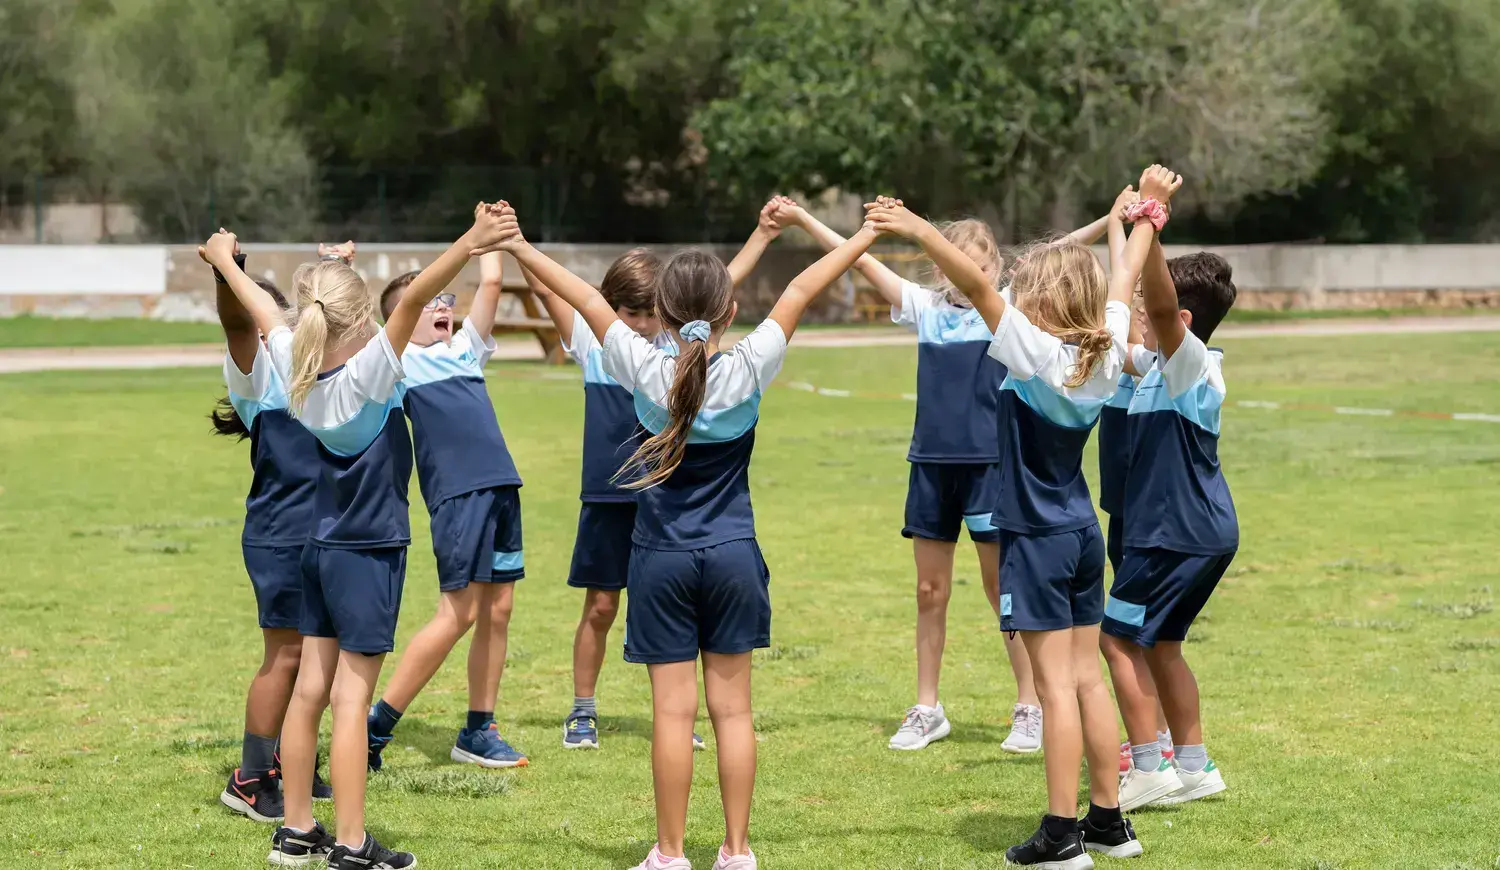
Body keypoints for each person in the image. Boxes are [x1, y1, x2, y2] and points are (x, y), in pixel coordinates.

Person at [494, 206, 879, 870]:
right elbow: (801, 288)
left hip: (662, 561)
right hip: (734, 557)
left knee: (672, 717)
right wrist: (870, 233)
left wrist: (520, 245)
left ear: (663, 314)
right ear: (729, 312)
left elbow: (585, 297)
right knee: (734, 715)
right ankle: (737, 851)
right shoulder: (749, 366)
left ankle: (670, 854)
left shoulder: (643, 369)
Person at [865, 166, 1180, 866]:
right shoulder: (1104, 351)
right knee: (1087, 679)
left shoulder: (1031, 352)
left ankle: (1062, 833)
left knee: (1057, 687)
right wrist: (1150, 213)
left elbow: (977, 288)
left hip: (1035, 540)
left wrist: (917, 230)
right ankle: (1109, 822)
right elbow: (1124, 276)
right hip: (1080, 533)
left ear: (1043, 301)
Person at [202, 203, 516, 869]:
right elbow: (419, 295)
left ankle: (295, 831)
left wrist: (225, 260)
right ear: (358, 321)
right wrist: (473, 239)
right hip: (367, 554)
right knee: (351, 700)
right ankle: (350, 844)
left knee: (310, 693)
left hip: (317, 548)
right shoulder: (369, 374)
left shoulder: (292, 362)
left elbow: (264, 312)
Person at [769, 196, 1042, 753]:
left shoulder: (1005, 307)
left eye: (979, 265)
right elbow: (856, 258)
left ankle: (1030, 705)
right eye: (955, 263)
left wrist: (1117, 224)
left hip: (990, 468)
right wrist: (802, 219)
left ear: (995, 269)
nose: (966, 274)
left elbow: (1063, 252)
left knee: (1002, 590)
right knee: (928, 591)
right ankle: (927, 709)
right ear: (937, 267)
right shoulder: (925, 307)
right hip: (931, 469)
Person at [523, 197, 787, 751]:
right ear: (610, 308)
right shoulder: (598, 344)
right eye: (629, 312)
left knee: (675, 603)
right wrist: (516, 248)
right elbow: (556, 291)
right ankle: (583, 709)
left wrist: (761, 237)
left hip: (665, 507)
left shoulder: (672, 351)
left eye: (649, 312)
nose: (641, 324)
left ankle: (676, 714)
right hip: (609, 494)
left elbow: (716, 287)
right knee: (600, 606)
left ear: (664, 312)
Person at [366, 243, 529, 771]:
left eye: (445, 299)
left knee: (498, 611)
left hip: (502, 488)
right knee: (458, 613)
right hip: (459, 496)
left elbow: (491, 284)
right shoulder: (398, 364)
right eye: (426, 301)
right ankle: (375, 725)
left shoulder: (464, 350)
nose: (441, 306)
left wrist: (496, 237)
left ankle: (479, 730)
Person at [1104, 233, 1239, 812]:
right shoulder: (1159, 366)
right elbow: (1117, 341)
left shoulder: (1189, 365)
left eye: (1150, 305)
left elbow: (1158, 310)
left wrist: (1153, 226)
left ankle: (1148, 766)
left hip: (1174, 533)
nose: (1141, 312)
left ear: (1182, 320)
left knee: (1117, 639)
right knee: (1162, 645)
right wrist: (1126, 232)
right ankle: (1193, 765)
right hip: (1198, 531)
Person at [210, 251, 332, 822]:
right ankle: (251, 777)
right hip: (281, 534)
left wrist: (333, 268)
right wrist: (226, 272)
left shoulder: (312, 369)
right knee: (286, 655)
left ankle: (291, 759)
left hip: (326, 531)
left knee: (319, 654)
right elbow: (237, 323)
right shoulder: (257, 377)